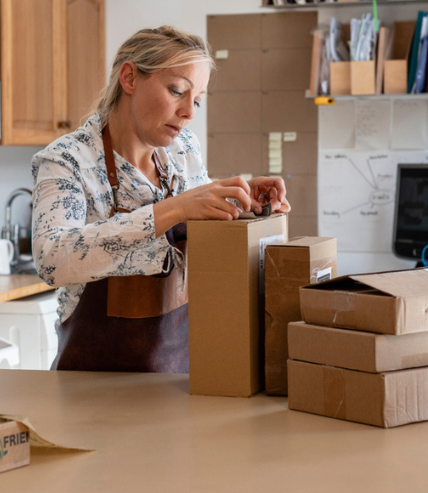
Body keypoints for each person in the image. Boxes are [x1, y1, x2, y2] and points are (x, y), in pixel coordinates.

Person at [31, 26, 290, 374]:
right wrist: (174, 209)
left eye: (196, 100)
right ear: (129, 78)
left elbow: (202, 212)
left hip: (179, 377)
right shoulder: (68, 160)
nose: (189, 112)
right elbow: (52, 259)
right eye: (177, 91)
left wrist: (242, 200)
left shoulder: (183, 151)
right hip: (89, 384)